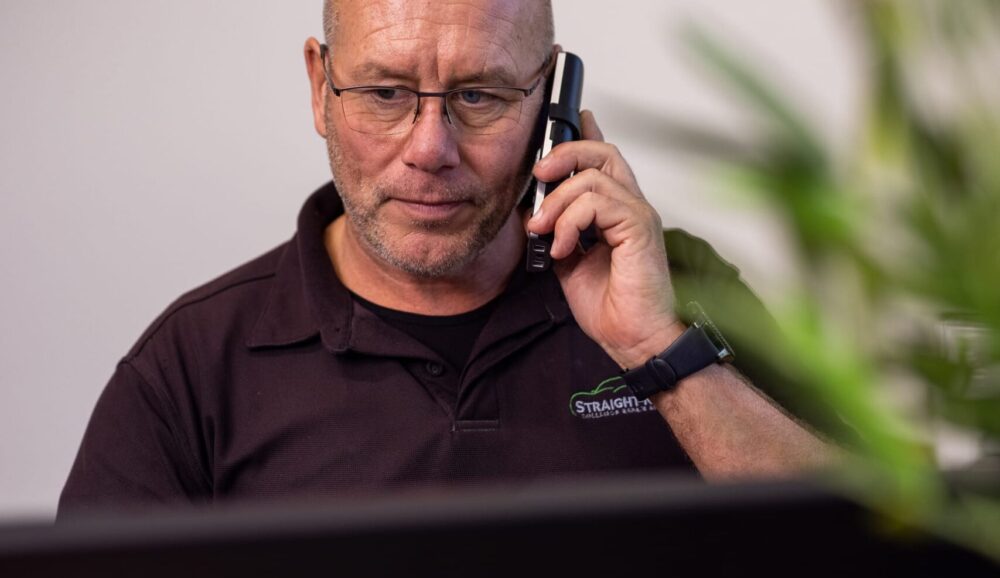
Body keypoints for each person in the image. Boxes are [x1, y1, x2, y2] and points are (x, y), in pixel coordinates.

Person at [59, 0, 837, 514]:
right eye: (387, 93)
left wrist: (658, 351)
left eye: (480, 96)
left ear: (551, 100)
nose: (430, 150)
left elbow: (888, 561)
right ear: (318, 87)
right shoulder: (193, 366)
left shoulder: (677, 287)